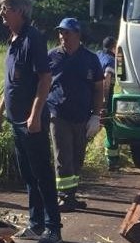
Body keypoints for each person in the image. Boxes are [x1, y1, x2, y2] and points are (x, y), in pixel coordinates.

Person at [0, 0, 62, 243]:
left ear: (19, 11)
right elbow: (10, 84)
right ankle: (35, 224)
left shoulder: (33, 39)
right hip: (15, 119)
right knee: (28, 173)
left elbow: (45, 78)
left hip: (31, 120)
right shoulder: (13, 40)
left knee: (42, 172)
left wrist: (35, 115)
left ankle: (53, 228)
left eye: (5, 9)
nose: (1, 13)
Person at [47, 17, 104, 212]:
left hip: (82, 116)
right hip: (58, 114)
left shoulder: (90, 59)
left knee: (77, 158)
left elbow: (98, 88)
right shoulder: (52, 57)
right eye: (61, 32)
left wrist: (96, 116)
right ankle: (64, 197)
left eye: (67, 32)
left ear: (77, 34)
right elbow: (42, 83)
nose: (63, 36)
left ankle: (71, 195)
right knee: (63, 157)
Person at [95, 35, 120, 171]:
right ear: (113, 47)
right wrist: (104, 102)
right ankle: (112, 162)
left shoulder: (97, 55)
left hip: (90, 96)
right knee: (110, 128)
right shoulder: (111, 61)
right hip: (106, 97)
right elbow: (106, 80)